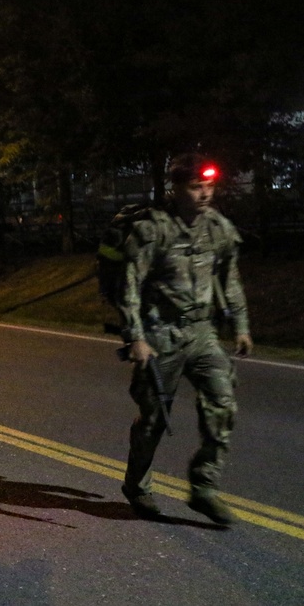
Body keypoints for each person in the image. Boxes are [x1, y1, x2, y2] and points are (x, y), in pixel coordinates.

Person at [117, 153, 252, 525]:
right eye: (196, 187)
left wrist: (240, 325)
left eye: (209, 186)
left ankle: (204, 487)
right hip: (161, 335)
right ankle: (137, 485)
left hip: (203, 333)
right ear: (177, 188)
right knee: (153, 418)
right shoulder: (153, 230)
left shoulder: (218, 228)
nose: (205, 193)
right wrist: (136, 337)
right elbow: (130, 284)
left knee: (223, 406)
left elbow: (230, 280)